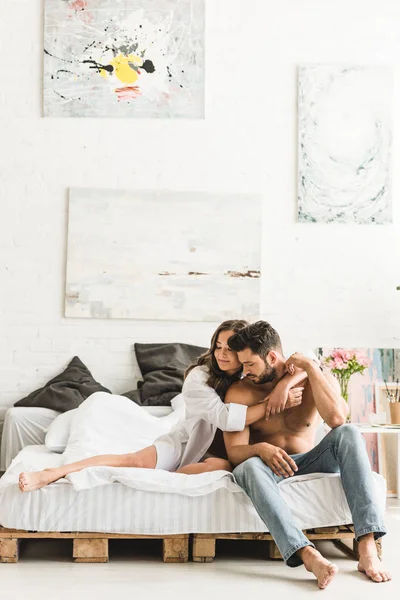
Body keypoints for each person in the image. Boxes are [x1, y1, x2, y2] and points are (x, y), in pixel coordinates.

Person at [18, 320, 305, 492]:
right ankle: (51, 473)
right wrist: (274, 401)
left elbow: (305, 364)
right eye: (218, 346)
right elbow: (226, 418)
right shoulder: (199, 377)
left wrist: (282, 386)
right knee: (129, 461)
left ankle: (165, 479)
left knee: (221, 466)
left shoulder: (249, 373)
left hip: (222, 454)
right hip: (184, 444)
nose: (222, 354)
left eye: (230, 349)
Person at [223, 321, 390, 589]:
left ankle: (367, 546)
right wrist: (260, 449)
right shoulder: (241, 392)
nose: (245, 372)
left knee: (348, 432)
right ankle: (307, 553)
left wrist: (310, 368)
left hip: (311, 460)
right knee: (247, 468)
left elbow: (337, 418)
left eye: (250, 364)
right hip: (269, 467)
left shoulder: (313, 378)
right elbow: (234, 453)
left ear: (272, 357)